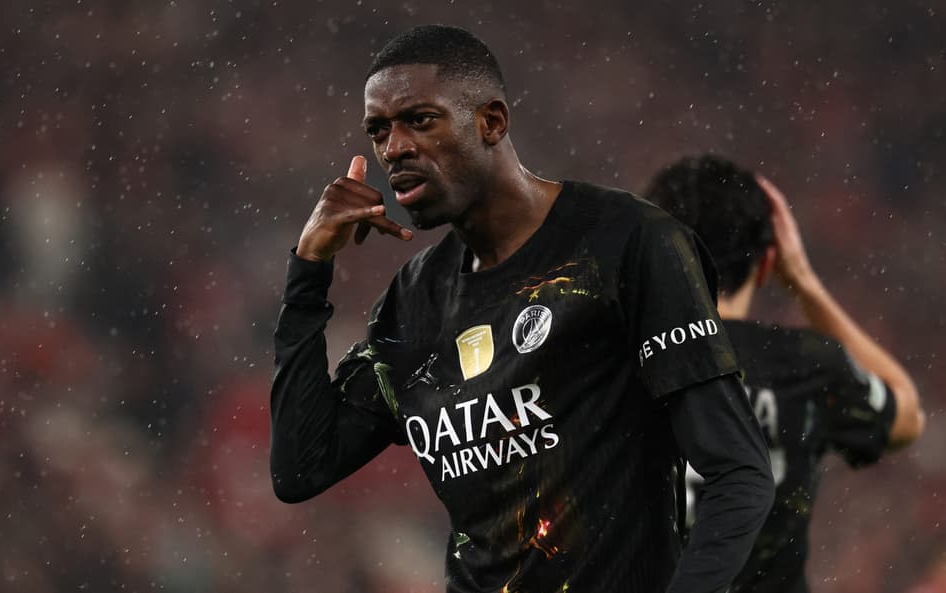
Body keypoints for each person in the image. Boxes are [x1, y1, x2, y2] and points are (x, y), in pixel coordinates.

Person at [270, 25, 774, 593]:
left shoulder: (627, 244)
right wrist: (309, 269)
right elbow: (301, 467)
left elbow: (740, 474)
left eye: (420, 119)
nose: (395, 148)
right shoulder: (413, 300)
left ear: (491, 122)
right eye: (379, 130)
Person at [645, 154, 926, 593]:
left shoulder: (613, 364)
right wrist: (803, 282)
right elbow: (907, 418)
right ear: (764, 265)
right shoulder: (803, 363)